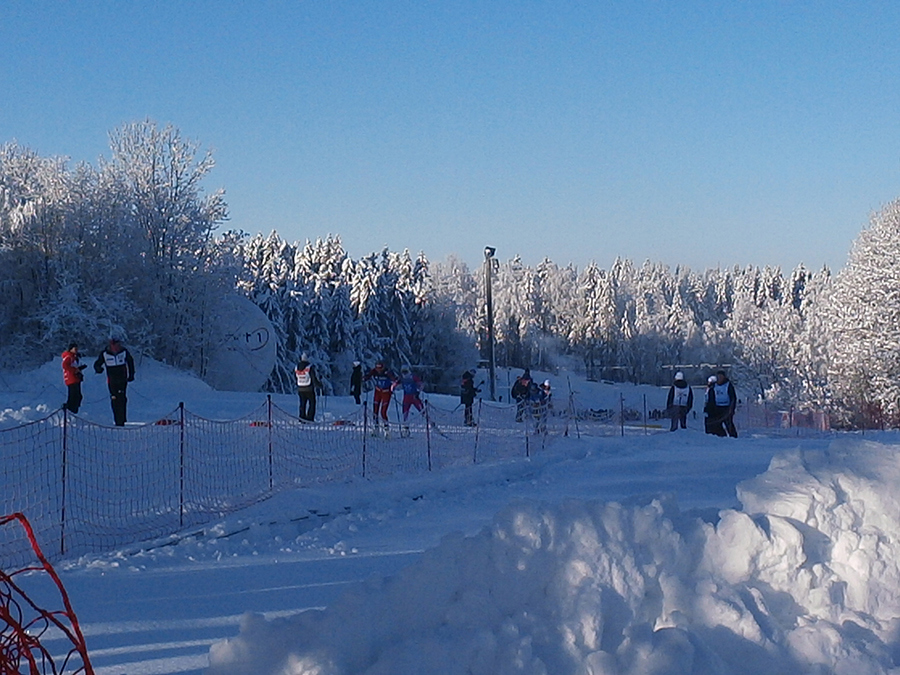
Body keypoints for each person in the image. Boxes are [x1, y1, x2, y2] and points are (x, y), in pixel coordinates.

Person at [93, 337, 135, 426]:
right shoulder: (105, 353)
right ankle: (117, 420)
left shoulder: (124, 352)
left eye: (118, 345)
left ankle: (122, 419)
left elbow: (130, 362)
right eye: (115, 345)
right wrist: (98, 369)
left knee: (122, 398)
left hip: (123, 379)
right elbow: (97, 363)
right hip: (112, 380)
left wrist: (131, 375)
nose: (117, 347)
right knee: (115, 399)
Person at [365, 361, 397, 428]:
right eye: (377, 368)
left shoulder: (387, 372)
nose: (379, 370)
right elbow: (368, 375)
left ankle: (386, 428)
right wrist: (365, 378)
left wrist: (394, 382)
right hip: (378, 392)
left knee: (383, 412)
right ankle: (376, 428)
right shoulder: (374, 371)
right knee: (375, 411)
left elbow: (395, 379)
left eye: (380, 368)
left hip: (386, 393)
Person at [706, 370, 738, 438]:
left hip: (727, 407)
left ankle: (733, 437)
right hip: (717, 407)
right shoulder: (714, 386)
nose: (719, 378)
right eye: (718, 376)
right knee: (717, 423)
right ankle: (721, 436)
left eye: (721, 376)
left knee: (728, 423)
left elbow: (733, 397)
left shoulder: (728, 385)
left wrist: (732, 408)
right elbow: (711, 397)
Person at [61, 342, 87, 414]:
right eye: (75, 349)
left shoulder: (74, 357)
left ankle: (73, 411)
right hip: (71, 378)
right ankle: (71, 411)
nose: (76, 350)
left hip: (75, 378)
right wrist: (75, 370)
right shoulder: (69, 357)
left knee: (77, 396)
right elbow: (65, 366)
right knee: (74, 396)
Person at [295, 353, 321, 422]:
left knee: (302, 403)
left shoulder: (296, 367)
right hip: (309, 388)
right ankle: (310, 418)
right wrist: (319, 385)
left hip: (300, 388)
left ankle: (302, 418)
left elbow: (296, 377)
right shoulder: (309, 367)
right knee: (312, 403)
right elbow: (313, 378)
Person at [398, 365, 424, 431]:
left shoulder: (413, 377)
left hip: (414, 397)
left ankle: (430, 422)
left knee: (422, 410)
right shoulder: (401, 378)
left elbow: (421, 385)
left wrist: (418, 392)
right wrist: (392, 387)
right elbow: (396, 384)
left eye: (405, 372)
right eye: (403, 372)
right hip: (406, 397)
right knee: (405, 412)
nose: (404, 374)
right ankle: (405, 427)